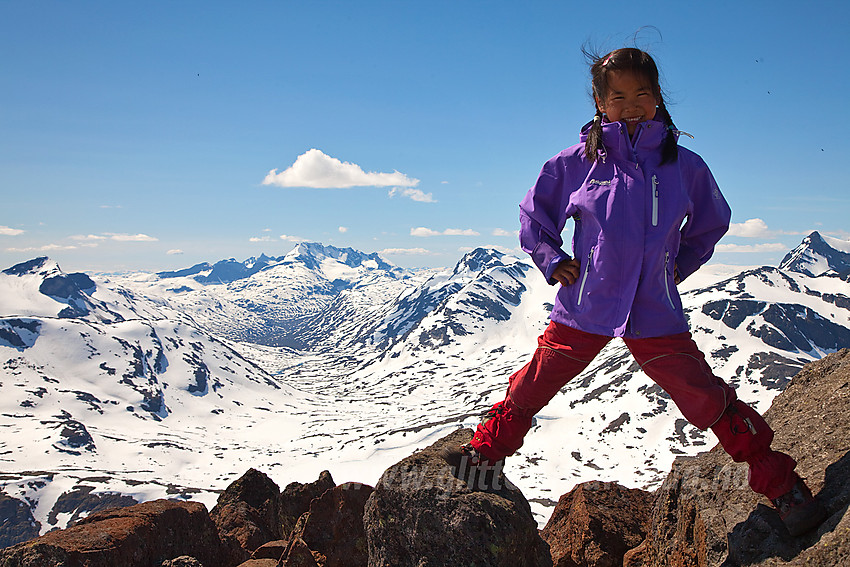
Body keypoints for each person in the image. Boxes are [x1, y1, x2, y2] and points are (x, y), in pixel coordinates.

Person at [441, 47, 826, 537]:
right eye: (617, 95)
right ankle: (484, 455)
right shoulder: (574, 164)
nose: (631, 104)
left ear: (658, 97)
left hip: (654, 312)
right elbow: (534, 218)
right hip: (583, 306)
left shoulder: (685, 167)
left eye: (642, 93)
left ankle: (782, 487)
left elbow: (711, 223)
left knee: (707, 398)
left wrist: (674, 268)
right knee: (534, 383)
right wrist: (554, 260)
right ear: (600, 102)